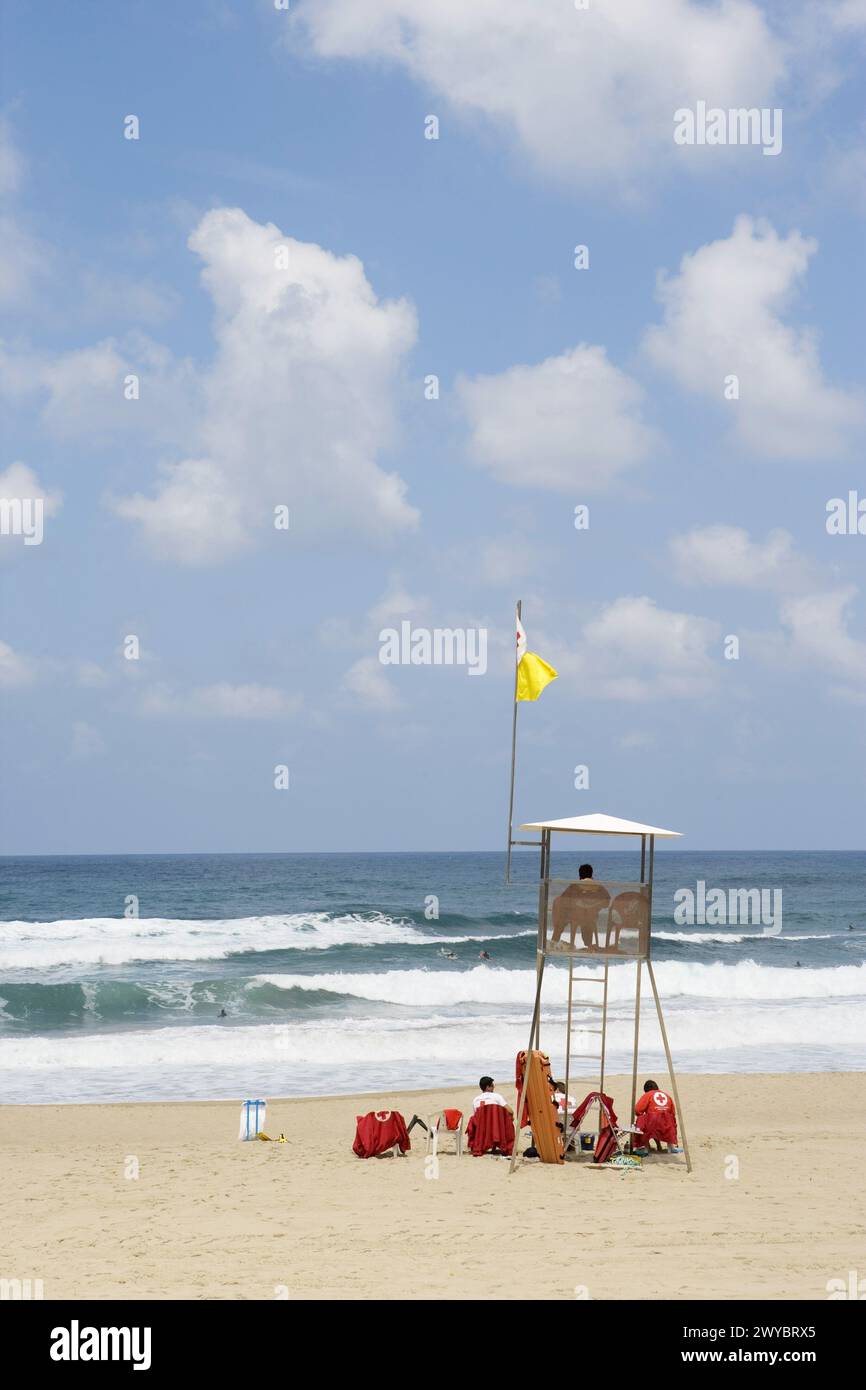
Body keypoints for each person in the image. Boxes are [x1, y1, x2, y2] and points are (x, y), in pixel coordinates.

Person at [550, 864, 610, 950]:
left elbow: (563, 900)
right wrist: (594, 905)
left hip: (576, 916)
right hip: (591, 917)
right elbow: (606, 903)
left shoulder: (575, 886)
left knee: (562, 917)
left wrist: (576, 905)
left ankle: (555, 939)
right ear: (591, 874)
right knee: (585, 918)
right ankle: (589, 944)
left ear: (580, 875)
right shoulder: (599, 887)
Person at [633, 1080, 680, 1154]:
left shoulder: (648, 1094)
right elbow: (672, 1113)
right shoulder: (667, 1095)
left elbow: (637, 1109)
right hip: (667, 1124)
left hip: (653, 1122)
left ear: (646, 1089)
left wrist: (643, 1115)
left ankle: (647, 1148)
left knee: (642, 1120)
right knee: (668, 1119)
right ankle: (670, 1147)